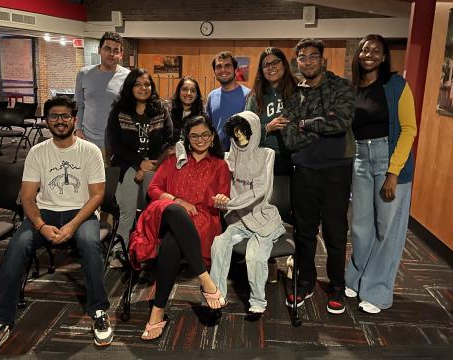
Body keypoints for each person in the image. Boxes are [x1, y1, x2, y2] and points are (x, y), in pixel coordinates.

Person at [0, 96, 113, 360]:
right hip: (46, 211)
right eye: (54, 117)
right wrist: (40, 225)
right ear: (46, 121)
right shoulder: (38, 151)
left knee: (89, 243)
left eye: (64, 116)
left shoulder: (90, 151)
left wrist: (73, 225)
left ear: (74, 119)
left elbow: (96, 196)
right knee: (17, 246)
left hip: (80, 211)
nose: (60, 121)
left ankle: (98, 311)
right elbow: (27, 197)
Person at [128, 115, 231, 340]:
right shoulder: (173, 160)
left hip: (202, 219)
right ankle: (206, 280)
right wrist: (177, 201)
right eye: (194, 135)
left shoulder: (220, 166)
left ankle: (157, 311)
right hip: (166, 215)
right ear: (187, 138)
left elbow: (222, 200)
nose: (200, 139)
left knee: (172, 244)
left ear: (212, 137)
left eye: (205, 134)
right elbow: (153, 189)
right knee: (175, 211)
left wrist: (222, 200)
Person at [281, 38, 355, 315]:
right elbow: (289, 137)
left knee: (336, 234)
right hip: (304, 171)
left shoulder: (341, 86)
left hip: (337, 170)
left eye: (313, 56)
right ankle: (305, 281)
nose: (308, 61)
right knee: (305, 233)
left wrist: (303, 123)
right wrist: (317, 123)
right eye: (302, 57)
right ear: (297, 62)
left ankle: (337, 286)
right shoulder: (294, 94)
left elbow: (340, 122)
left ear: (323, 60)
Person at [345, 34, 417, 314]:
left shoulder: (396, 85)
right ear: (358, 54)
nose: (369, 54)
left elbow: (409, 129)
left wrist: (393, 172)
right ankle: (356, 278)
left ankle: (377, 290)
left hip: (390, 160)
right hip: (361, 159)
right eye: (364, 49)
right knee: (361, 227)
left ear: (385, 57)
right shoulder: (353, 88)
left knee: (386, 229)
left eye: (376, 50)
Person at [210, 111, 285, 316]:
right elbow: (213, 169)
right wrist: (221, 200)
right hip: (240, 219)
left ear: (254, 131)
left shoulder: (266, 154)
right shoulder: (229, 158)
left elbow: (260, 189)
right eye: (235, 132)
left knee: (255, 255)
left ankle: (258, 300)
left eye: (244, 131)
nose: (240, 136)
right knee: (219, 244)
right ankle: (216, 295)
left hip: (263, 219)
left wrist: (230, 203)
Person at [106, 68, 173, 267]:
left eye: (147, 84)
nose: (143, 88)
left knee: (153, 209)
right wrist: (138, 163)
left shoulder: (160, 109)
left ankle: (149, 247)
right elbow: (115, 144)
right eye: (137, 84)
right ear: (130, 86)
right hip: (127, 163)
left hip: (155, 164)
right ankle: (120, 250)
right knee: (127, 207)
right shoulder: (119, 110)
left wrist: (150, 164)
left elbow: (168, 140)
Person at [74, 31, 130, 154]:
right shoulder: (84, 74)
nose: (111, 54)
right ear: (99, 50)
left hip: (117, 142)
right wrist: (77, 130)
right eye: (107, 49)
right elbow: (78, 105)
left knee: (112, 174)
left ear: (121, 54)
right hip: (87, 141)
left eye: (116, 50)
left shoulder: (128, 77)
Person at [245, 47, 296, 175]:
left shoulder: (298, 91)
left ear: (284, 64)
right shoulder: (255, 96)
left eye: (275, 63)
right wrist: (267, 127)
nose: (270, 67)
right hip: (263, 158)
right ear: (261, 70)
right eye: (266, 65)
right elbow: (245, 131)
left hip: (293, 159)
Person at [206, 52, 250, 150]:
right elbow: (208, 127)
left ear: (235, 69)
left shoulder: (248, 95)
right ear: (214, 71)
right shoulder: (212, 96)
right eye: (218, 67)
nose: (223, 70)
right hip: (217, 154)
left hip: (241, 154)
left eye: (227, 66)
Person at [170, 76, 205, 143]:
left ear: (197, 95)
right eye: (184, 89)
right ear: (178, 91)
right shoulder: (168, 113)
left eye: (193, 90)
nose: (188, 93)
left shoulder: (202, 117)